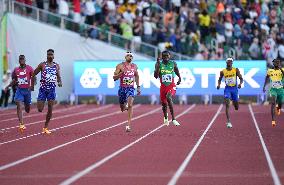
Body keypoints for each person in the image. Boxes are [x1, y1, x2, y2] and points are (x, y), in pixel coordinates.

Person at [31, 49, 62, 134]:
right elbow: (34, 73)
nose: (50, 56)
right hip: (43, 90)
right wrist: (33, 81)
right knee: (40, 109)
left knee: (50, 109)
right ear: (46, 55)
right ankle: (42, 101)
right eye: (49, 54)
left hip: (52, 90)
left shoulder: (56, 66)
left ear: (54, 56)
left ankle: (45, 127)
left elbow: (58, 76)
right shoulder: (42, 65)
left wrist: (59, 82)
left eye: (51, 54)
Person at [113, 51, 141, 132]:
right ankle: (124, 107)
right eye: (128, 56)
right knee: (122, 108)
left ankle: (128, 125)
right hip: (122, 89)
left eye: (131, 56)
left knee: (130, 104)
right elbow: (114, 78)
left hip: (131, 88)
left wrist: (138, 87)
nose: (130, 57)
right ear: (125, 57)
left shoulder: (134, 66)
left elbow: (136, 76)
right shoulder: (120, 66)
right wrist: (121, 73)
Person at [5, 55, 33, 132]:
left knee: (27, 109)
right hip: (19, 90)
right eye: (20, 59)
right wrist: (8, 86)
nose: (21, 60)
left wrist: (33, 85)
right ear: (19, 61)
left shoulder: (29, 68)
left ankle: (27, 106)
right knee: (19, 105)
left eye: (22, 59)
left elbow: (34, 77)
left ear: (25, 60)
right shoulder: (16, 70)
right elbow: (14, 80)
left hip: (27, 91)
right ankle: (21, 124)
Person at [154, 50, 182, 126]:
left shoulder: (173, 63)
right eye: (164, 56)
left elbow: (176, 71)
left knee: (169, 97)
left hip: (171, 86)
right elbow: (155, 76)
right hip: (163, 87)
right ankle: (166, 117)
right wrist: (158, 67)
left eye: (167, 56)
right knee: (164, 104)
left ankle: (173, 119)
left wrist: (179, 78)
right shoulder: (158, 64)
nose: (166, 57)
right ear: (162, 57)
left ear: (170, 56)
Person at [217, 57, 243, 128]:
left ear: (232, 63)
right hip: (227, 89)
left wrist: (240, 84)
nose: (229, 62)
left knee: (236, 107)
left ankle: (234, 101)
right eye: (228, 61)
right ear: (226, 63)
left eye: (231, 61)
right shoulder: (223, 71)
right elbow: (219, 79)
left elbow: (241, 78)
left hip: (234, 89)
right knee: (227, 104)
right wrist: (219, 85)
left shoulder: (235, 70)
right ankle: (228, 121)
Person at [263, 58, 284, 127]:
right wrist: (264, 86)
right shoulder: (270, 71)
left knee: (280, 103)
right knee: (273, 103)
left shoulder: (282, 70)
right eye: (275, 62)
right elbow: (267, 78)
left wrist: (281, 69)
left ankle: (278, 107)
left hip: (280, 89)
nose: (277, 63)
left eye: (278, 62)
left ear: (280, 63)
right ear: (273, 63)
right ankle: (273, 120)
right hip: (273, 89)